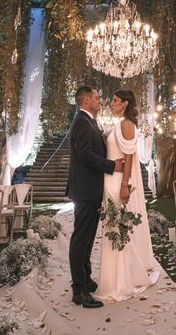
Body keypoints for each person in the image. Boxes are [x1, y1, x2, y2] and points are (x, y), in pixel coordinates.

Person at [94, 89, 160, 302]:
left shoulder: (127, 124)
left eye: (114, 100)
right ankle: (112, 278)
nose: (111, 103)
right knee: (113, 227)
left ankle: (122, 280)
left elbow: (129, 157)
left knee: (118, 226)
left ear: (124, 103)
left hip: (118, 181)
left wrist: (124, 185)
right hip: (109, 178)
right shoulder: (118, 123)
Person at [66, 85, 124, 309]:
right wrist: (113, 166)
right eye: (97, 97)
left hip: (89, 189)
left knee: (88, 237)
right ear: (86, 100)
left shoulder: (87, 120)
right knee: (81, 238)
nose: (100, 101)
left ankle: (86, 278)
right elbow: (85, 155)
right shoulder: (82, 121)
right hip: (85, 190)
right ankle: (79, 290)